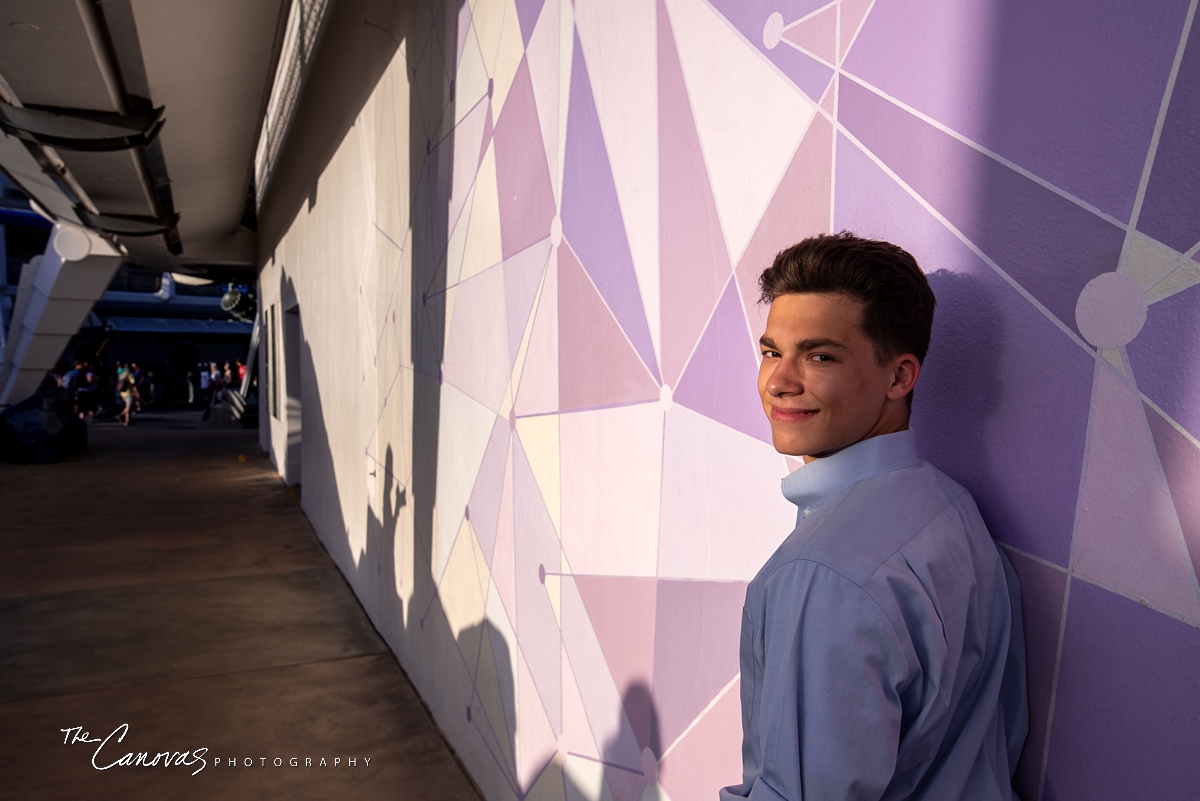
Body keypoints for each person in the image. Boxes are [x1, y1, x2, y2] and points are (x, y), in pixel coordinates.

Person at [720, 233, 1027, 801]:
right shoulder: (951, 507)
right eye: (771, 352)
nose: (779, 382)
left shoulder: (821, 575)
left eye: (819, 356)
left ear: (899, 377)